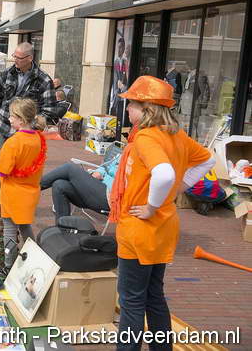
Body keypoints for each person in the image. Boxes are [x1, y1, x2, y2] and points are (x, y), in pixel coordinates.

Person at [110, 76, 214, 350]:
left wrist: (151, 206)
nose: (127, 109)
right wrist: (181, 187)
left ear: (146, 108)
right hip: (164, 226)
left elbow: (164, 174)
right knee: (154, 295)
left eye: (131, 104)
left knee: (132, 301)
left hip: (139, 227)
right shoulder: (176, 135)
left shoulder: (146, 137)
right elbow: (208, 160)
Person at [0, 98, 47, 276]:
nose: (9, 119)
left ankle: (8, 265)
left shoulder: (14, 142)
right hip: (30, 192)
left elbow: (3, 170)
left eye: (12, 116)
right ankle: (35, 258)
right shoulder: (39, 139)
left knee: (9, 231)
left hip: (12, 193)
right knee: (25, 227)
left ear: (21, 119)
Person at [0, 42, 60, 155]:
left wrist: (30, 127)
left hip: (27, 134)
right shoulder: (6, 74)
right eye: (14, 56)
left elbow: (49, 110)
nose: (15, 60)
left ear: (30, 58)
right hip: (3, 127)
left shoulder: (44, 80)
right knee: (2, 163)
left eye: (19, 58)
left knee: (23, 164)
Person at [40, 156, 118, 224]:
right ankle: (63, 230)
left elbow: (122, 186)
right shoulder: (122, 153)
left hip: (112, 198)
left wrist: (104, 176)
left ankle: (33, 187)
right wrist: (99, 172)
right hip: (96, 191)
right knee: (59, 185)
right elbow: (106, 166)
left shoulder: (126, 157)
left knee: (69, 168)